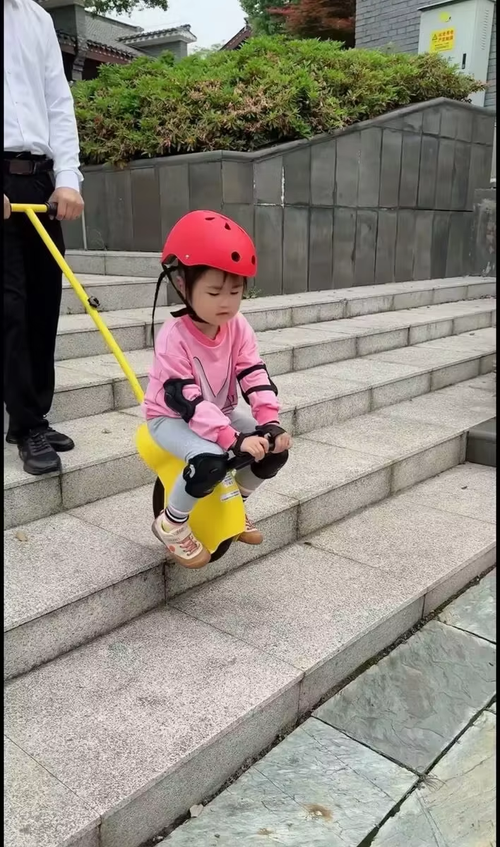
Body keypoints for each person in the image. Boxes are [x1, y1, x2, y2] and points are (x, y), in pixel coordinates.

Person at [144, 211, 292, 569]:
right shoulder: (173, 337)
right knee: (210, 459)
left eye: (235, 292)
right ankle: (172, 522)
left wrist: (269, 422)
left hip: (219, 413)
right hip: (171, 417)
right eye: (213, 291)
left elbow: (254, 372)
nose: (225, 302)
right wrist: (231, 438)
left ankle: (235, 504)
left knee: (274, 451)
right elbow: (189, 402)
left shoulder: (238, 326)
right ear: (183, 285)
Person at [4, 0, 84, 475]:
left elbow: (59, 102)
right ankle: (27, 423)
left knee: (42, 302)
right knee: (9, 305)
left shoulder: (37, 18)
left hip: (39, 178)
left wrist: (68, 177)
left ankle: (32, 412)